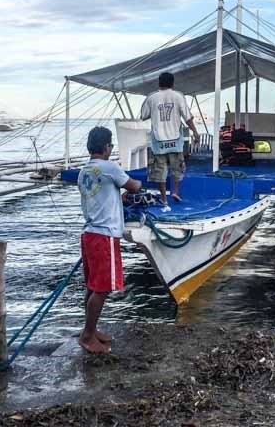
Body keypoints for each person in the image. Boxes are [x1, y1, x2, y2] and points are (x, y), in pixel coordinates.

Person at [77, 126, 141, 354]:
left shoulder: (84, 171)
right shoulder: (110, 167)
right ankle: (87, 335)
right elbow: (134, 185)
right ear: (106, 147)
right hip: (104, 235)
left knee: (92, 285)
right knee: (102, 288)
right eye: (111, 145)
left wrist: (118, 197)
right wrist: (138, 185)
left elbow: (103, 197)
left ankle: (91, 330)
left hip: (89, 233)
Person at [140, 71, 200, 205]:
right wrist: (195, 132)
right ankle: (175, 192)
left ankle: (164, 198)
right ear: (172, 83)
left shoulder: (151, 98)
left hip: (158, 141)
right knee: (177, 169)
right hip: (175, 140)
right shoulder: (178, 96)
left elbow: (143, 115)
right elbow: (188, 118)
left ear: (159, 83)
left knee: (160, 171)